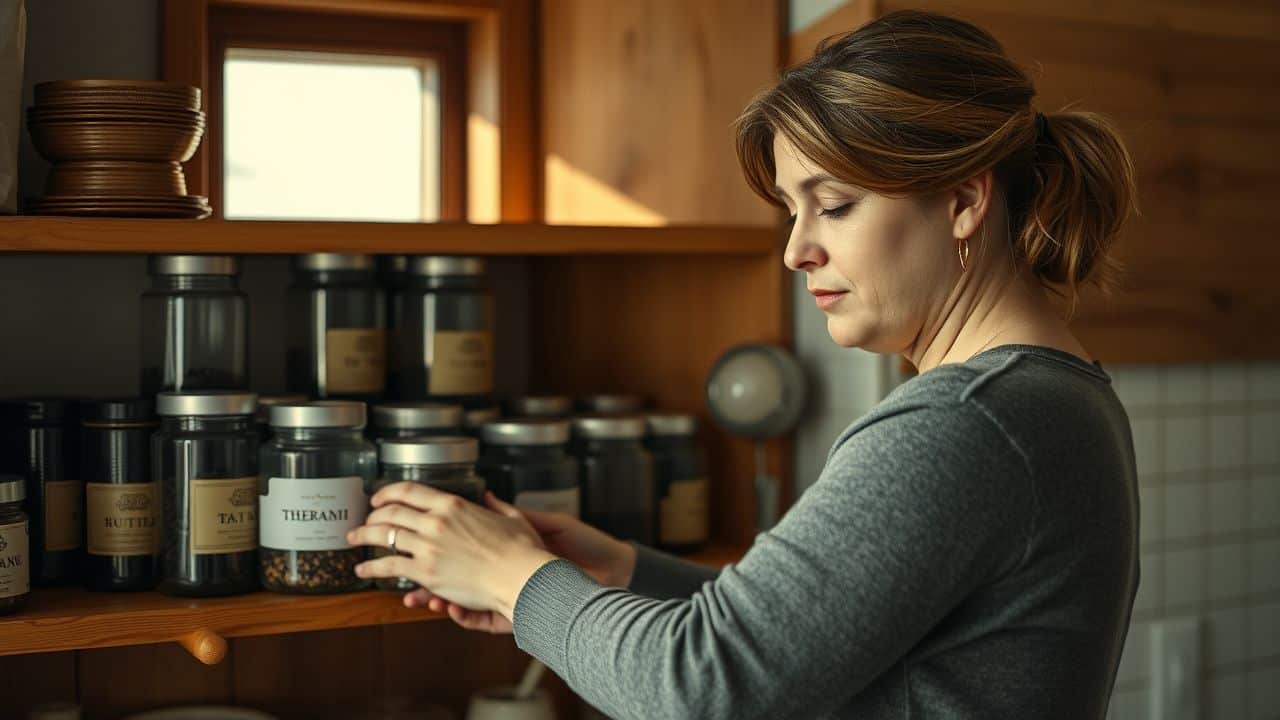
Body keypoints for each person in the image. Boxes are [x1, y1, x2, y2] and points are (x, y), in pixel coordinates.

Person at [348, 9, 1140, 719]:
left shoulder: (967, 421)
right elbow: (807, 648)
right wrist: (622, 571)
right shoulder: (1049, 394)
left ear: (964, 200)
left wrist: (512, 579)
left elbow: (703, 689)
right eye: (793, 211)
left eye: (833, 205)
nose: (797, 250)